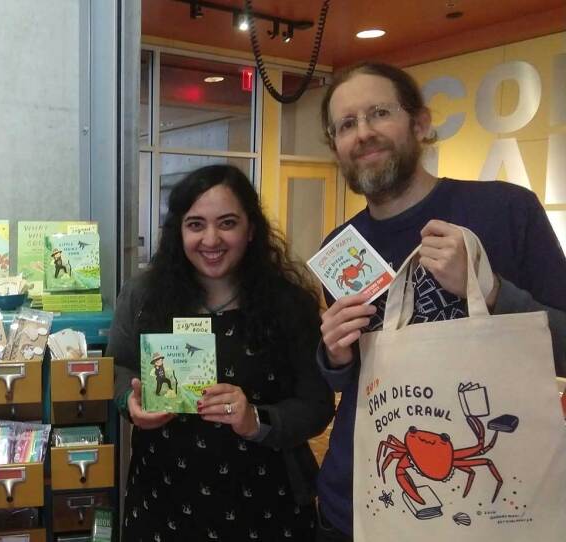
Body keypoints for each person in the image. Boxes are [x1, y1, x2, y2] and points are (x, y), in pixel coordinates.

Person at [313, 61, 566, 541]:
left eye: (379, 113)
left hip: (490, 514)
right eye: (347, 125)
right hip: (359, 501)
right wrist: (334, 354)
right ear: (337, 147)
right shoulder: (342, 248)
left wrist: (493, 294)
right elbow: (361, 380)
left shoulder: (507, 210)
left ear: (421, 123)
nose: (363, 133)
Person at [108, 164, 334, 541]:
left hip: (266, 507)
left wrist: (257, 419)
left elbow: (317, 405)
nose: (210, 239)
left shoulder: (288, 305)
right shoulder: (144, 296)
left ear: (251, 230)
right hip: (163, 502)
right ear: (178, 232)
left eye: (227, 223)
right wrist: (129, 403)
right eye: (195, 224)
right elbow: (118, 368)